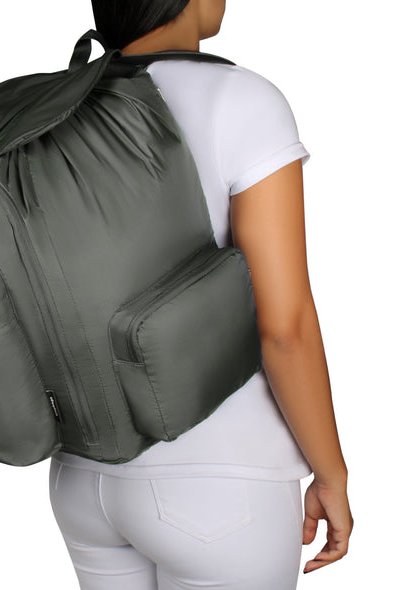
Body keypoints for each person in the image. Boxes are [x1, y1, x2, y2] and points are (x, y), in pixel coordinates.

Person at [48, 1, 354, 588]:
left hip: (83, 474)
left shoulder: (58, 104)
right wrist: (331, 473)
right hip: (221, 483)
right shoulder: (240, 98)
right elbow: (284, 327)